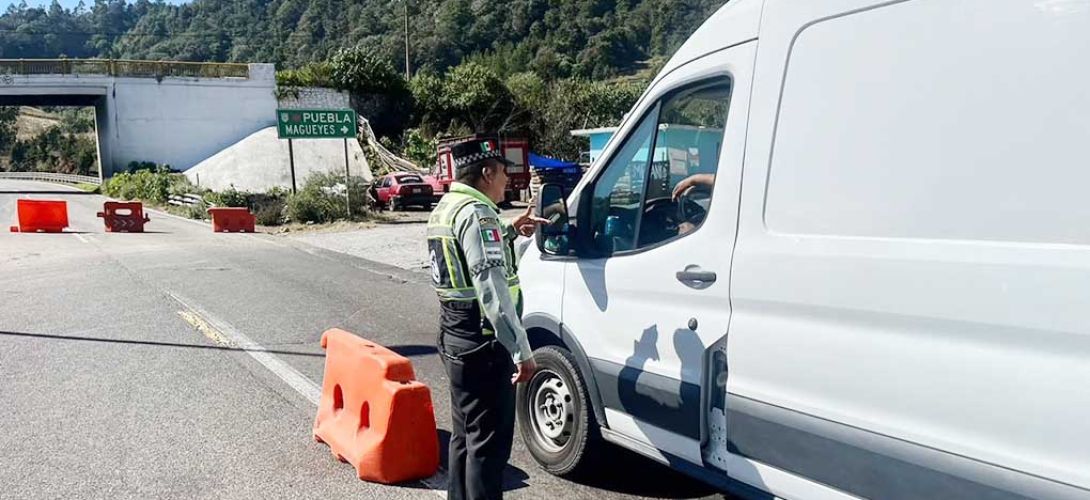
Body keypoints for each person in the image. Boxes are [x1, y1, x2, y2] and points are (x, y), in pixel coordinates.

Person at [427, 138, 547, 500]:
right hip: (483, 344)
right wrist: (522, 351)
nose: (507, 181)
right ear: (486, 172)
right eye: (503, 173)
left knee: (465, 438)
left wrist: (509, 230)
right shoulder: (478, 215)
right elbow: (492, 290)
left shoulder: (446, 208)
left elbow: (466, 258)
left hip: (455, 335)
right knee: (488, 449)